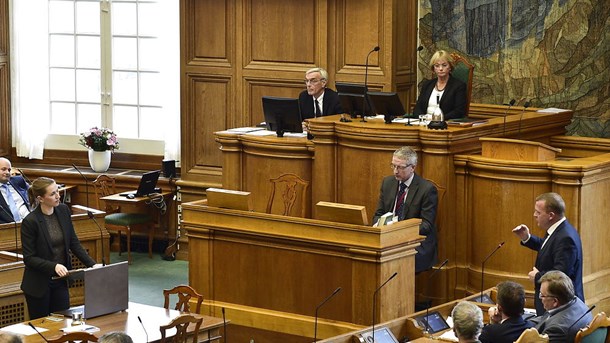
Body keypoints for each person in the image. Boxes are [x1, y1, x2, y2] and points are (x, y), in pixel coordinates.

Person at [20, 177, 100, 319]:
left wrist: (92, 265)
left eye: (57, 191)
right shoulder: (30, 222)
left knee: (63, 322)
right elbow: (29, 258)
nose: (58, 196)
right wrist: (54, 266)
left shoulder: (63, 211)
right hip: (38, 284)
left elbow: (73, 243)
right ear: (40, 198)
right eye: (52, 194)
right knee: (43, 327)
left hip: (60, 280)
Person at [512, 192, 584, 316]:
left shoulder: (566, 238)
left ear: (551, 215)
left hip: (561, 309)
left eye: (538, 212)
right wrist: (527, 238)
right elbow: (549, 247)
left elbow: (561, 274)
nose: (534, 215)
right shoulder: (558, 229)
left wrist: (538, 276)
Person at [372, 146, 438, 273]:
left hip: (415, 243)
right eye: (393, 166)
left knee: (394, 259)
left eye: (400, 167)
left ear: (412, 167)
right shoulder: (388, 183)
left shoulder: (427, 189)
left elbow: (426, 225)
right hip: (388, 238)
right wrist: (379, 227)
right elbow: (378, 214)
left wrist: (400, 231)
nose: (395, 171)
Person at [529, 270, 592, 343]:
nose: (540, 298)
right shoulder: (577, 302)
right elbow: (547, 317)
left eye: (542, 295)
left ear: (555, 301)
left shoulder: (557, 329)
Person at [412, 50, 467, 120]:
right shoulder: (427, 85)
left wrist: (437, 118)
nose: (440, 69)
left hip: (445, 124)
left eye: (444, 65)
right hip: (424, 123)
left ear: (450, 67)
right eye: (437, 66)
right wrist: (422, 117)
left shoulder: (458, 86)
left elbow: (459, 111)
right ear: (433, 69)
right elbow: (418, 108)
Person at [0, 157, 31, 223]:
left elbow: (34, 191)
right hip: (9, 228)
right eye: (3, 169)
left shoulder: (18, 181)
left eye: (9, 170)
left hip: (31, 222)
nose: (7, 172)